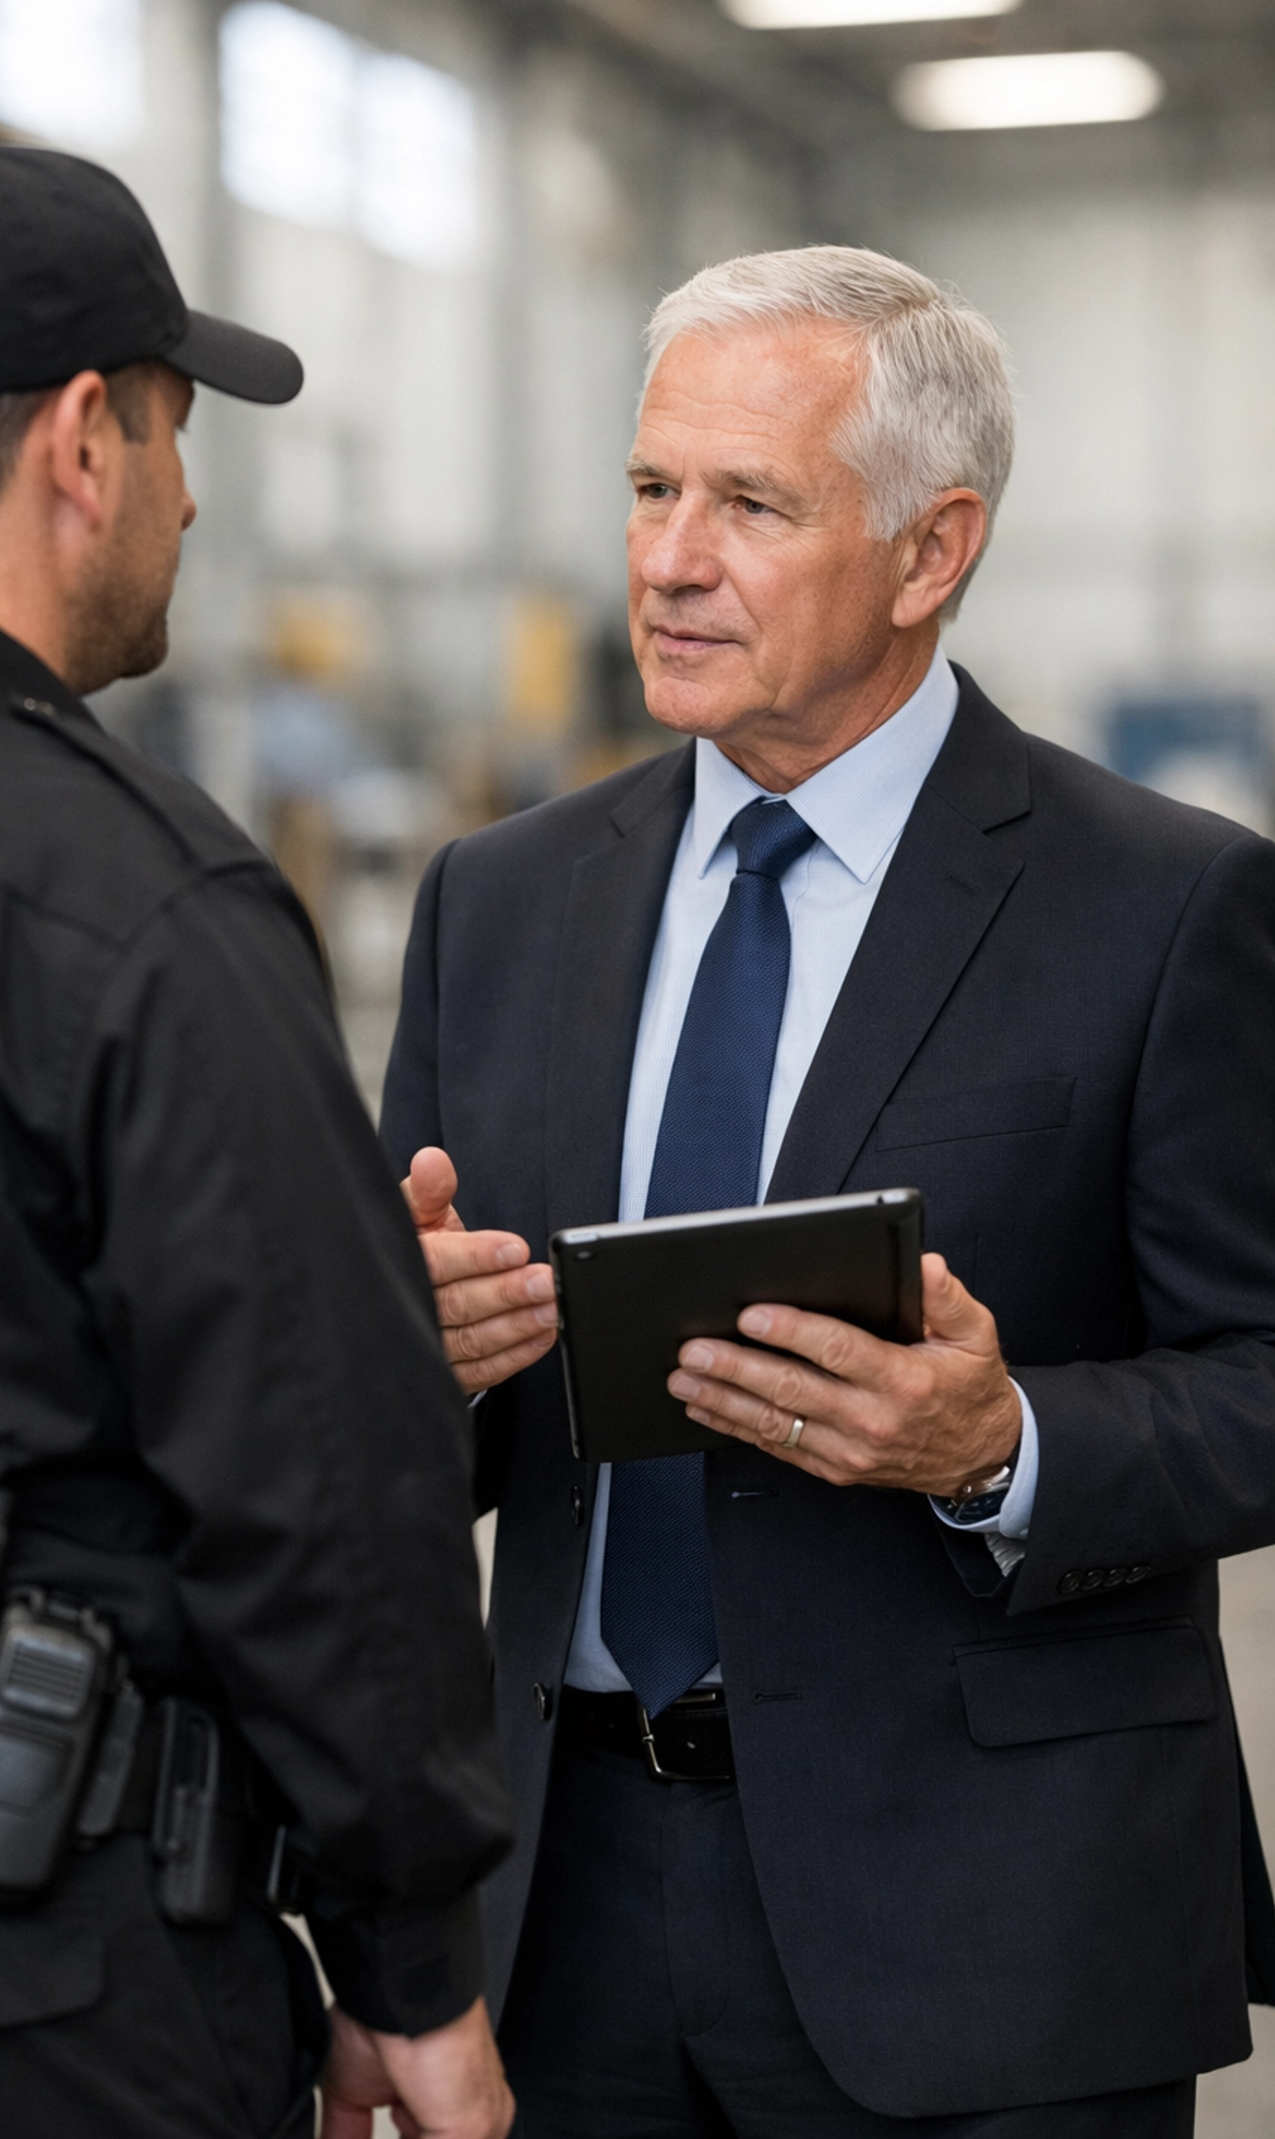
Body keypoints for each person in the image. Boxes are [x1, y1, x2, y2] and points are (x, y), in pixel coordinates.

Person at [381, 245, 1275, 2139]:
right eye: (650, 489)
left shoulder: (1168, 904)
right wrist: (410, 1357)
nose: (667, 560)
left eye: (751, 505)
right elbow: (406, 1444)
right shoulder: (501, 903)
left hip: (995, 1931)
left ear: (932, 550)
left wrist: (1002, 1445)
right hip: (565, 1908)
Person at [0, 140, 513, 2139]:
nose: (188, 494)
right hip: (2, 1977)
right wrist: (412, 1962)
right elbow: (320, 1489)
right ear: (82, 442)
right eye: (175, 430)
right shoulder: (135, 899)